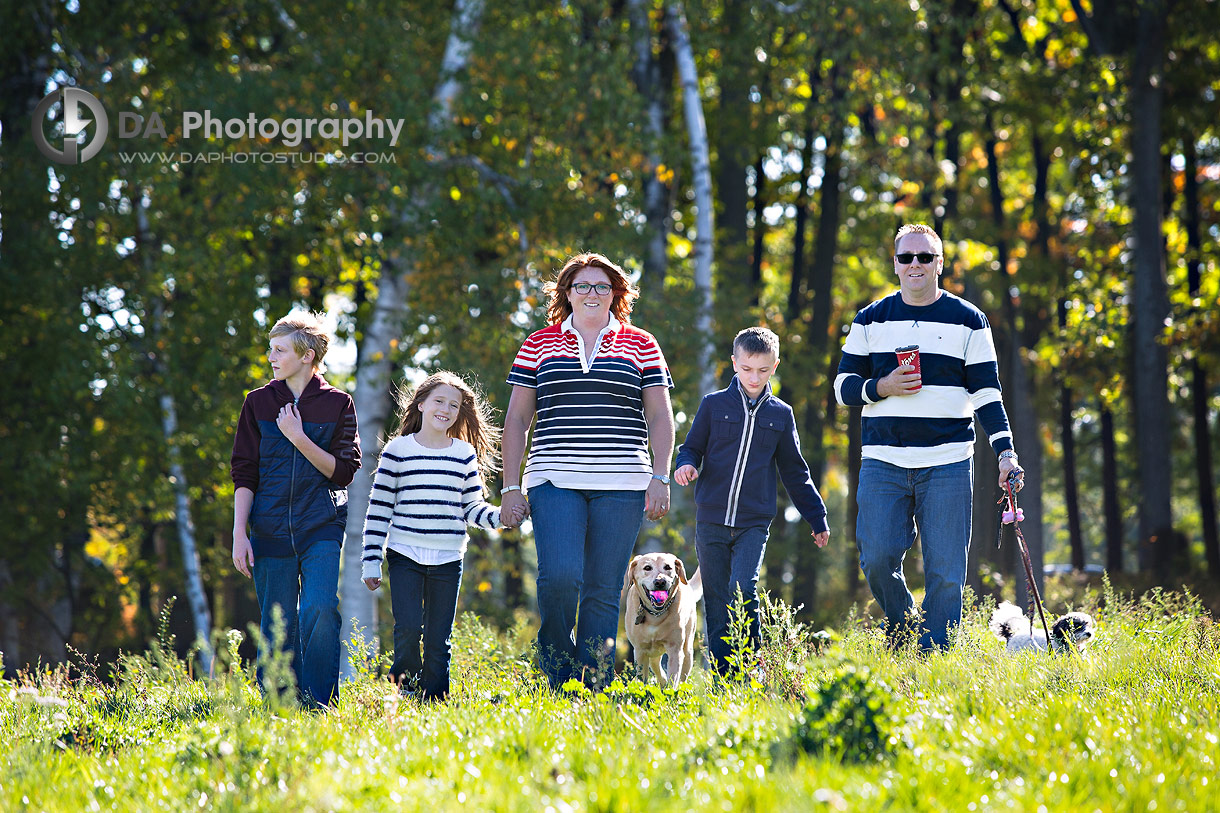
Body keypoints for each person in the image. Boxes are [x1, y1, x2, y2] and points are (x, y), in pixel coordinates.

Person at [834, 223, 1024, 651]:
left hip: (949, 461)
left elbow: (987, 394)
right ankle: (905, 626)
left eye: (925, 257)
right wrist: (881, 387)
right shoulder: (870, 319)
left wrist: (1005, 452)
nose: (915, 264)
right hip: (883, 461)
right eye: (906, 258)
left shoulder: (969, 320)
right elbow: (843, 387)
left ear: (940, 263)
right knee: (878, 559)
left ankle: (935, 656)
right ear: (895, 265)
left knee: (946, 570)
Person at [501, 253, 675, 690]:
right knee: (559, 577)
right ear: (567, 293)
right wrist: (509, 486)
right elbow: (518, 420)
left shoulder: (641, 343)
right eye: (582, 286)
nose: (592, 294)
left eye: (602, 286)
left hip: (623, 484)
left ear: (616, 293)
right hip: (553, 479)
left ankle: (590, 684)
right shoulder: (537, 343)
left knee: (601, 587)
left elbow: (659, 417)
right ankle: (557, 670)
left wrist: (661, 476)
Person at [673, 326, 831, 675]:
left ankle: (750, 669)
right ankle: (723, 679)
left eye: (762, 369)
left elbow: (795, 471)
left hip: (753, 523)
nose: (754, 377)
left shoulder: (781, 414)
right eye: (746, 369)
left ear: (774, 365)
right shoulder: (713, 405)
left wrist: (817, 518)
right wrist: (685, 466)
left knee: (743, 587)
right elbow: (691, 448)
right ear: (734, 363)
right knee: (716, 600)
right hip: (711, 520)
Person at [360, 371, 522, 701]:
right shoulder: (397, 451)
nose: (446, 409)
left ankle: (434, 702)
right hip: (405, 554)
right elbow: (379, 510)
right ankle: (406, 693)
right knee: (407, 631)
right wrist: (371, 562)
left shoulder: (462, 454)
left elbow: (473, 508)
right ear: (420, 404)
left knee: (438, 639)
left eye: (454, 405)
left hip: (448, 559)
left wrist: (501, 517)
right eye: (439, 401)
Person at [231, 312, 361, 709]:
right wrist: (240, 533)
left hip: (320, 525)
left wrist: (298, 438)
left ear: (306, 356)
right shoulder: (257, 403)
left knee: (320, 609)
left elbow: (343, 472)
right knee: (278, 625)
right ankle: (283, 706)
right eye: (271, 348)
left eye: (279, 349)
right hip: (267, 529)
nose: (271, 356)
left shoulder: (338, 403)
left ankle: (321, 705)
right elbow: (244, 472)